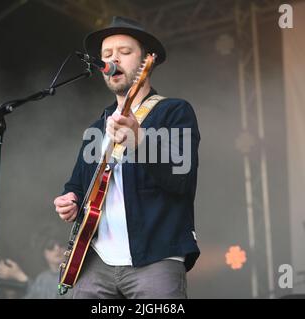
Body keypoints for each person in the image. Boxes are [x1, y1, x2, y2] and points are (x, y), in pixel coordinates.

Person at [53, 16, 200, 299]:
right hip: (95, 260)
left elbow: (182, 179)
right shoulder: (97, 127)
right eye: (106, 55)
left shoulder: (174, 112)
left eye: (124, 52)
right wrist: (69, 199)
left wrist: (139, 140)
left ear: (147, 61)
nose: (113, 60)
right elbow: (77, 186)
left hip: (156, 257)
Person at [0, 237, 72, 299]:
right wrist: (11, 295)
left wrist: (20, 276)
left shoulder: (73, 274)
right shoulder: (42, 278)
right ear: (44, 253)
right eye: (50, 246)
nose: (57, 248)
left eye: (61, 244)